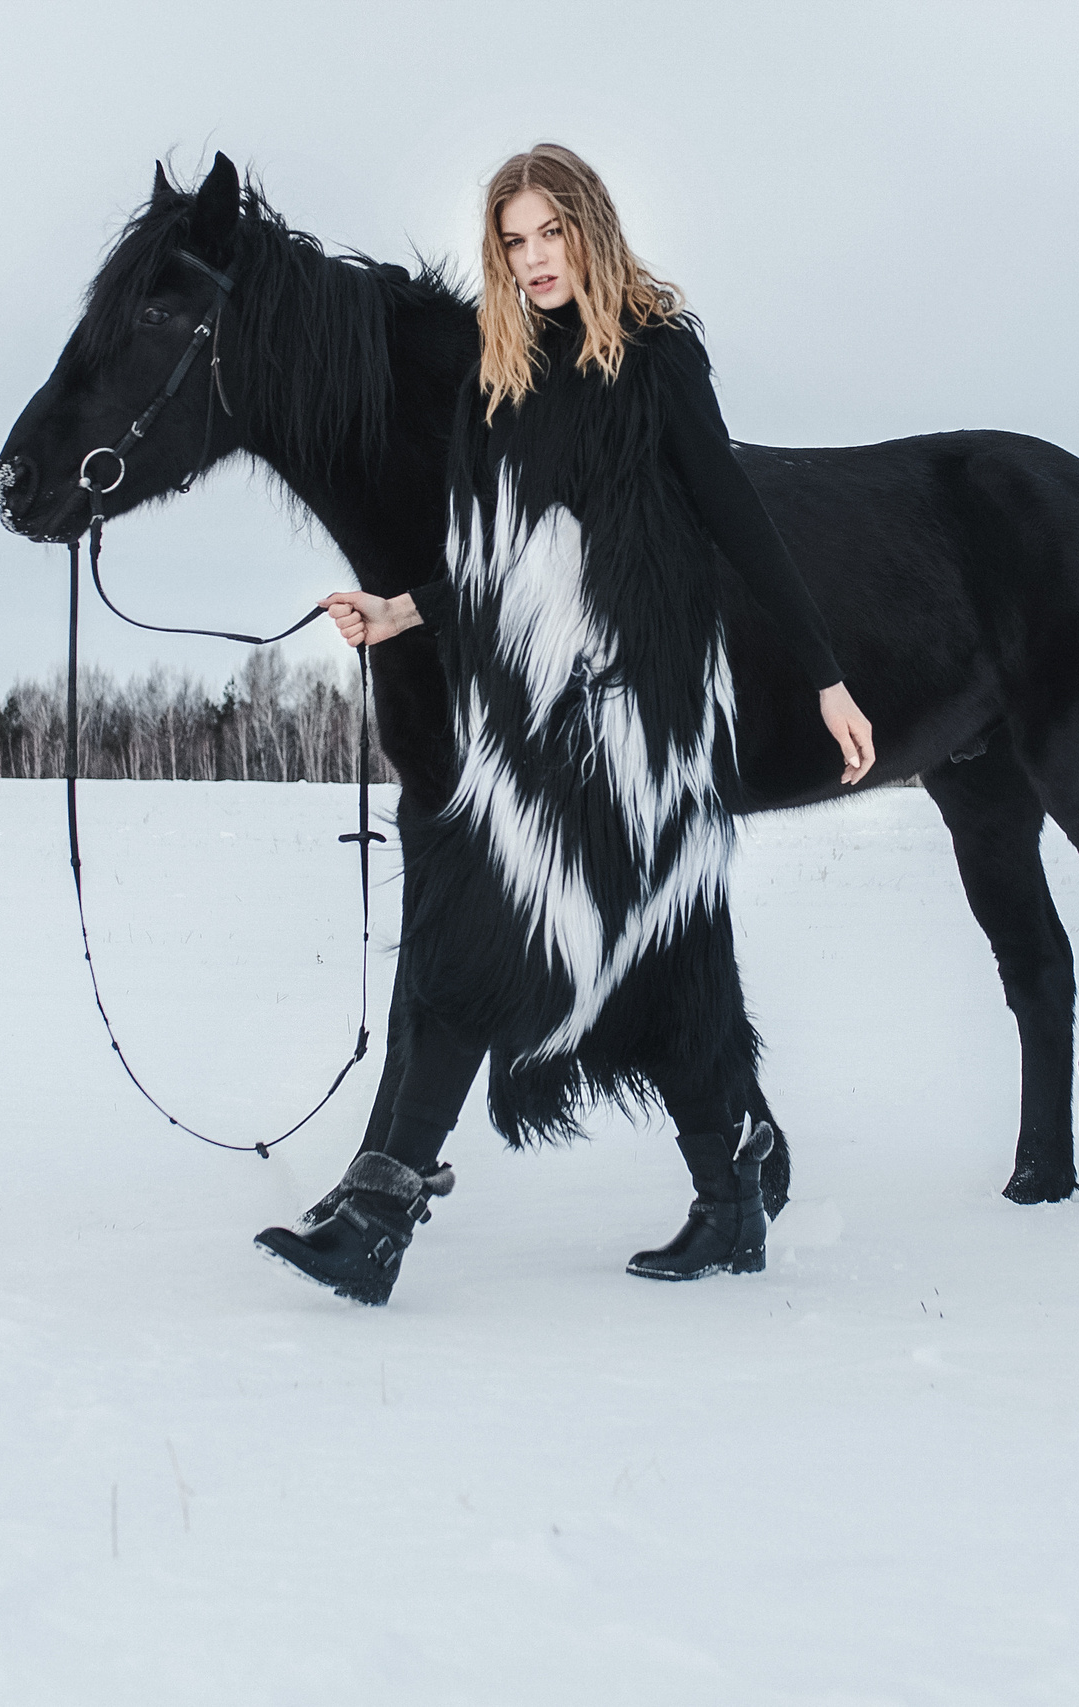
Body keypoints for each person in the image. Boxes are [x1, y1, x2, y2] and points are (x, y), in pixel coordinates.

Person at [255, 143, 875, 1305]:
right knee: (645, 956)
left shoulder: (651, 356)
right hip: (532, 719)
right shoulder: (498, 384)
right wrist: (399, 611)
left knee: (506, 941)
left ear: (589, 229)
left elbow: (734, 517)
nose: (534, 259)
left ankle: (387, 1215)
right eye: (513, 240)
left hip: (642, 714)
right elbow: (495, 568)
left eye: (551, 233)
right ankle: (725, 1197)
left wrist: (826, 676)